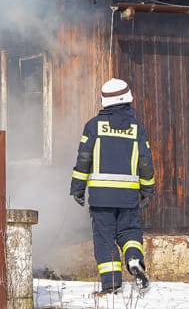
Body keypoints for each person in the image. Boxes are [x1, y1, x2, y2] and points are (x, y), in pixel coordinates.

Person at [70, 79, 155, 295]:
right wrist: (147, 190)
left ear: (104, 101)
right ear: (128, 100)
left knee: (105, 237)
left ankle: (112, 284)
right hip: (128, 197)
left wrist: (77, 189)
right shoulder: (137, 130)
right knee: (129, 232)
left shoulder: (93, 126)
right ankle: (134, 260)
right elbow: (145, 163)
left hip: (101, 198)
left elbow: (84, 160)